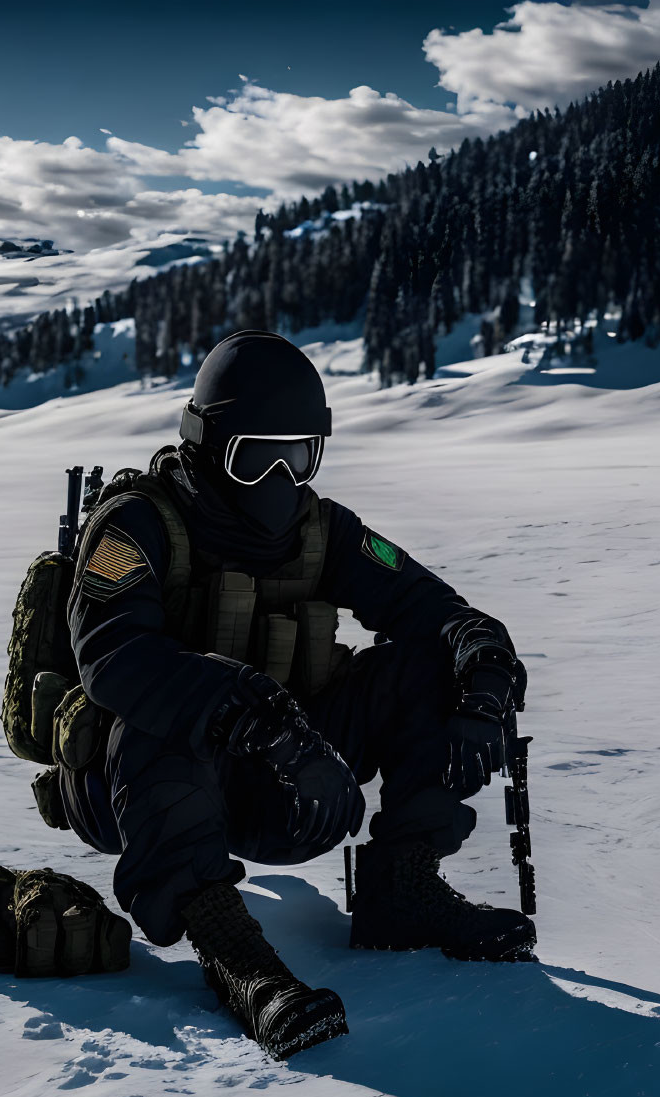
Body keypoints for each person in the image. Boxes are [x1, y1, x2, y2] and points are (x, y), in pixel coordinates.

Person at [56, 329, 531, 1059]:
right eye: (255, 456)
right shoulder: (137, 524)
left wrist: (485, 675)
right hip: (133, 791)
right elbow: (113, 657)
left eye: (298, 453)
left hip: (288, 784)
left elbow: (436, 610)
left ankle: (402, 891)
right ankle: (231, 949)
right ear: (206, 443)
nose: (279, 476)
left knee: (431, 663)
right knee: (155, 707)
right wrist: (264, 722)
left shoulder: (324, 531)